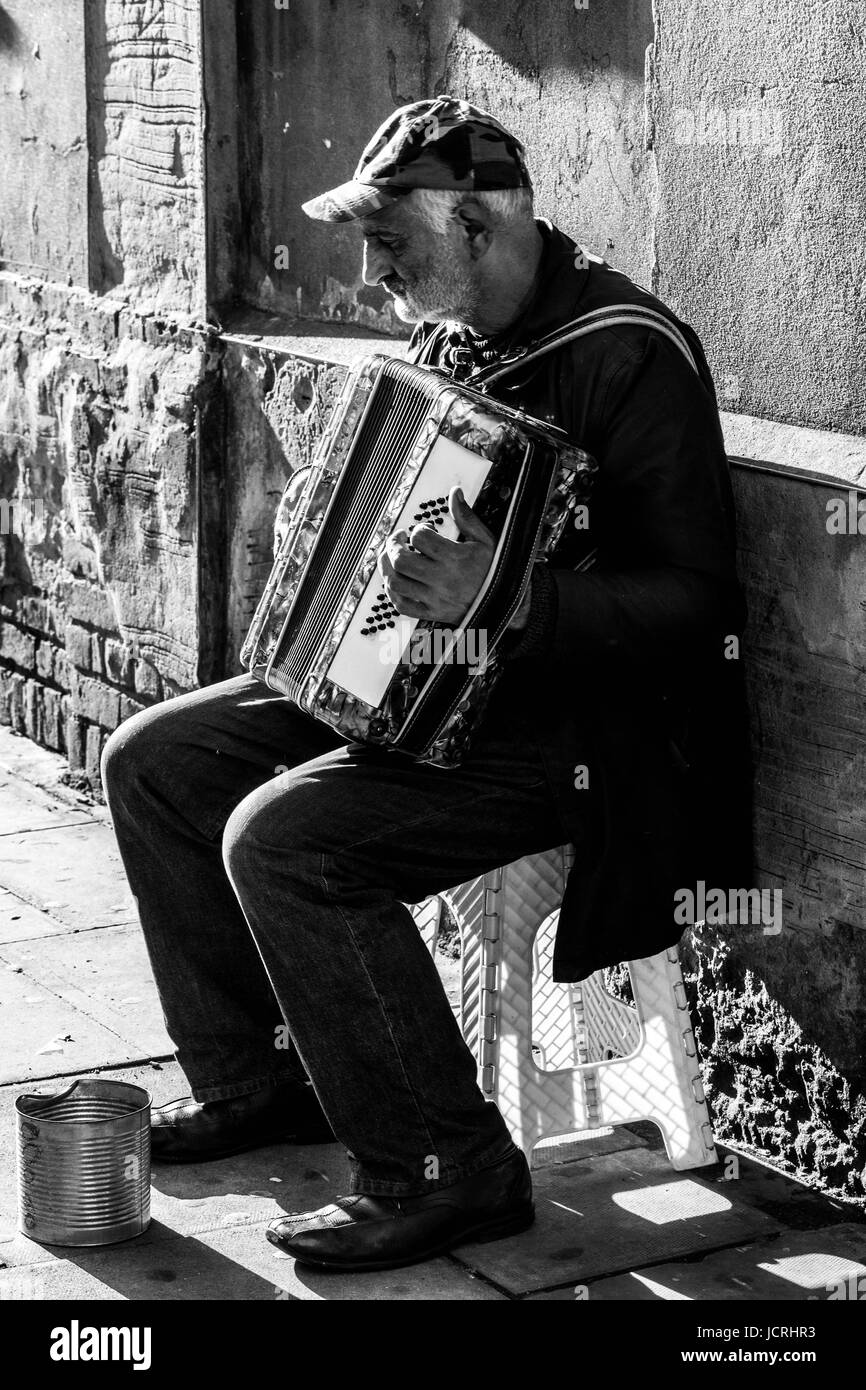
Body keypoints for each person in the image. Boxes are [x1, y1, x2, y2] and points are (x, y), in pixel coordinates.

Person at [101, 96, 751, 1273]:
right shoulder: (455, 333)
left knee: (285, 842)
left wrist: (504, 602)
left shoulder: (627, 352)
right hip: (426, 683)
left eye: (390, 238)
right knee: (154, 761)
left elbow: (696, 604)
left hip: (584, 736)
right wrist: (328, 529)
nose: (369, 265)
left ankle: (447, 1163)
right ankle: (258, 1080)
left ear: (477, 222)